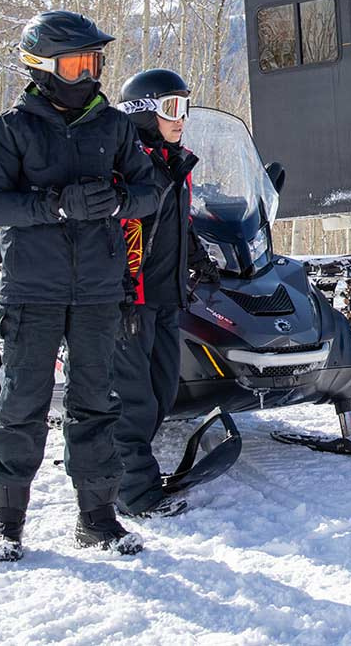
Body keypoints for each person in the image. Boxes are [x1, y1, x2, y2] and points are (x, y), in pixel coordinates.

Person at [0, 10, 163, 561]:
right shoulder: (11, 128)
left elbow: (151, 192)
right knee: (22, 404)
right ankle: (7, 522)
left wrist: (122, 199)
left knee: (96, 404)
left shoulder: (114, 126)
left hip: (101, 291)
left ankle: (98, 518)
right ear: (42, 66)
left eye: (95, 61)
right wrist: (54, 205)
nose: (90, 73)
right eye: (78, 63)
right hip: (34, 291)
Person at [112, 69, 220, 519]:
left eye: (185, 108)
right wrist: (121, 297)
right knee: (133, 399)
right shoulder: (126, 166)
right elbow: (116, 233)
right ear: (143, 112)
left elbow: (178, 225)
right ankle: (133, 493)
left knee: (159, 391)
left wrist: (197, 260)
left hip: (163, 297)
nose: (182, 119)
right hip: (130, 300)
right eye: (172, 108)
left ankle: (117, 469)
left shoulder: (174, 162)